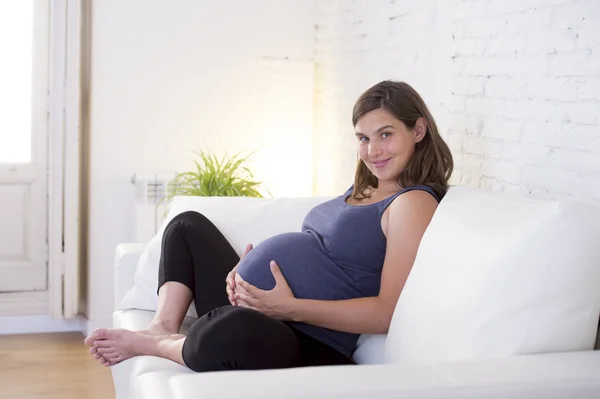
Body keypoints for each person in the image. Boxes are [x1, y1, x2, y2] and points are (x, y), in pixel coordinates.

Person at [84, 80, 453, 371]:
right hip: (264, 309)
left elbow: (385, 313)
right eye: (363, 138)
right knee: (186, 226)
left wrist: (288, 308)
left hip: (304, 337)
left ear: (418, 130)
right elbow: (319, 255)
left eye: (386, 134)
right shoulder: (365, 187)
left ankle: (160, 345)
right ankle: (163, 326)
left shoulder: (412, 202)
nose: (373, 151)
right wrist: (247, 269)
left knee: (230, 334)